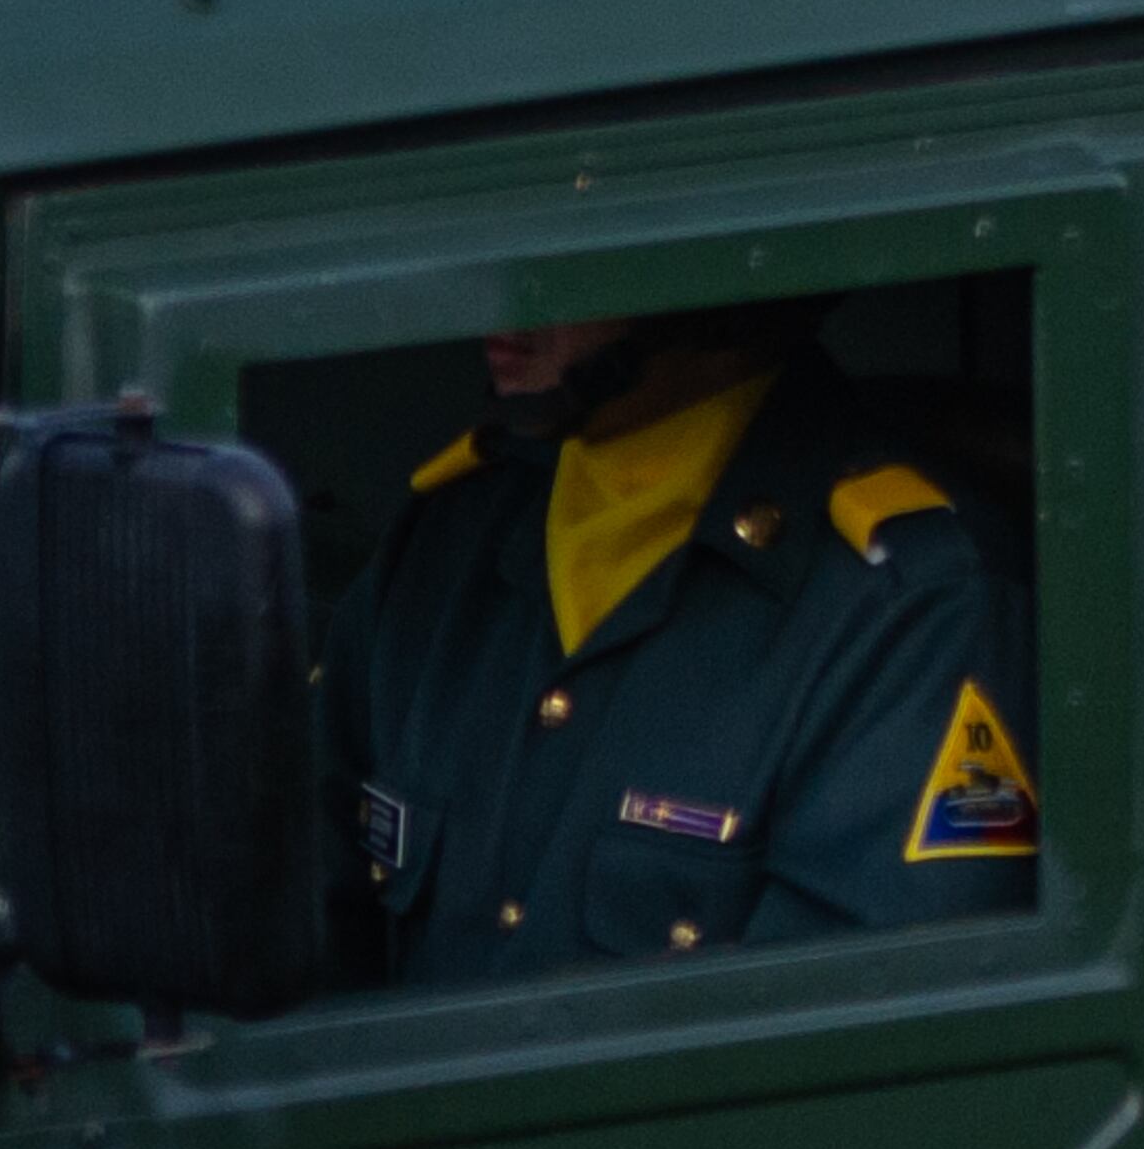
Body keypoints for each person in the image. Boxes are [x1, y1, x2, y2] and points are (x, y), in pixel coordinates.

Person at [319, 304, 1035, 986]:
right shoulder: (446, 540)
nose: (508, 288)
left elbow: (856, 1058)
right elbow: (292, 942)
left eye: (573, 245)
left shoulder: (912, 606)